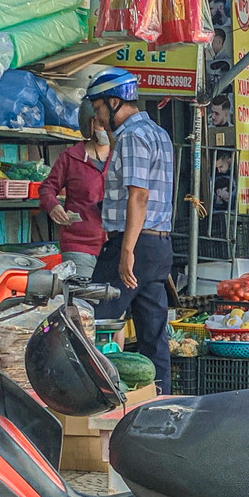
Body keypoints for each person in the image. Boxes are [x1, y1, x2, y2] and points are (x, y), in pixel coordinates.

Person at [86, 67, 176, 387]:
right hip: (159, 246)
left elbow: (138, 196)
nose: (96, 117)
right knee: (153, 335)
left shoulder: (132, 137)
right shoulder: (158, 133)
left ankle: (98, 401)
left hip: (134, 243)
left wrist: (126, 251)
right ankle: (161, 402)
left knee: (90, 323)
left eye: (98, 109)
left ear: (113, 102)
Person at [39, 100, 110, 278]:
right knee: (83, 302)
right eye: (101, 123)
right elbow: (47, 187)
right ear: (90, 124)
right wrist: (53, 206)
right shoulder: (71, 157)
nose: (106, 129)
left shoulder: (123, 157)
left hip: (114, 246)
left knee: (112, 302)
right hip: (78, 245)